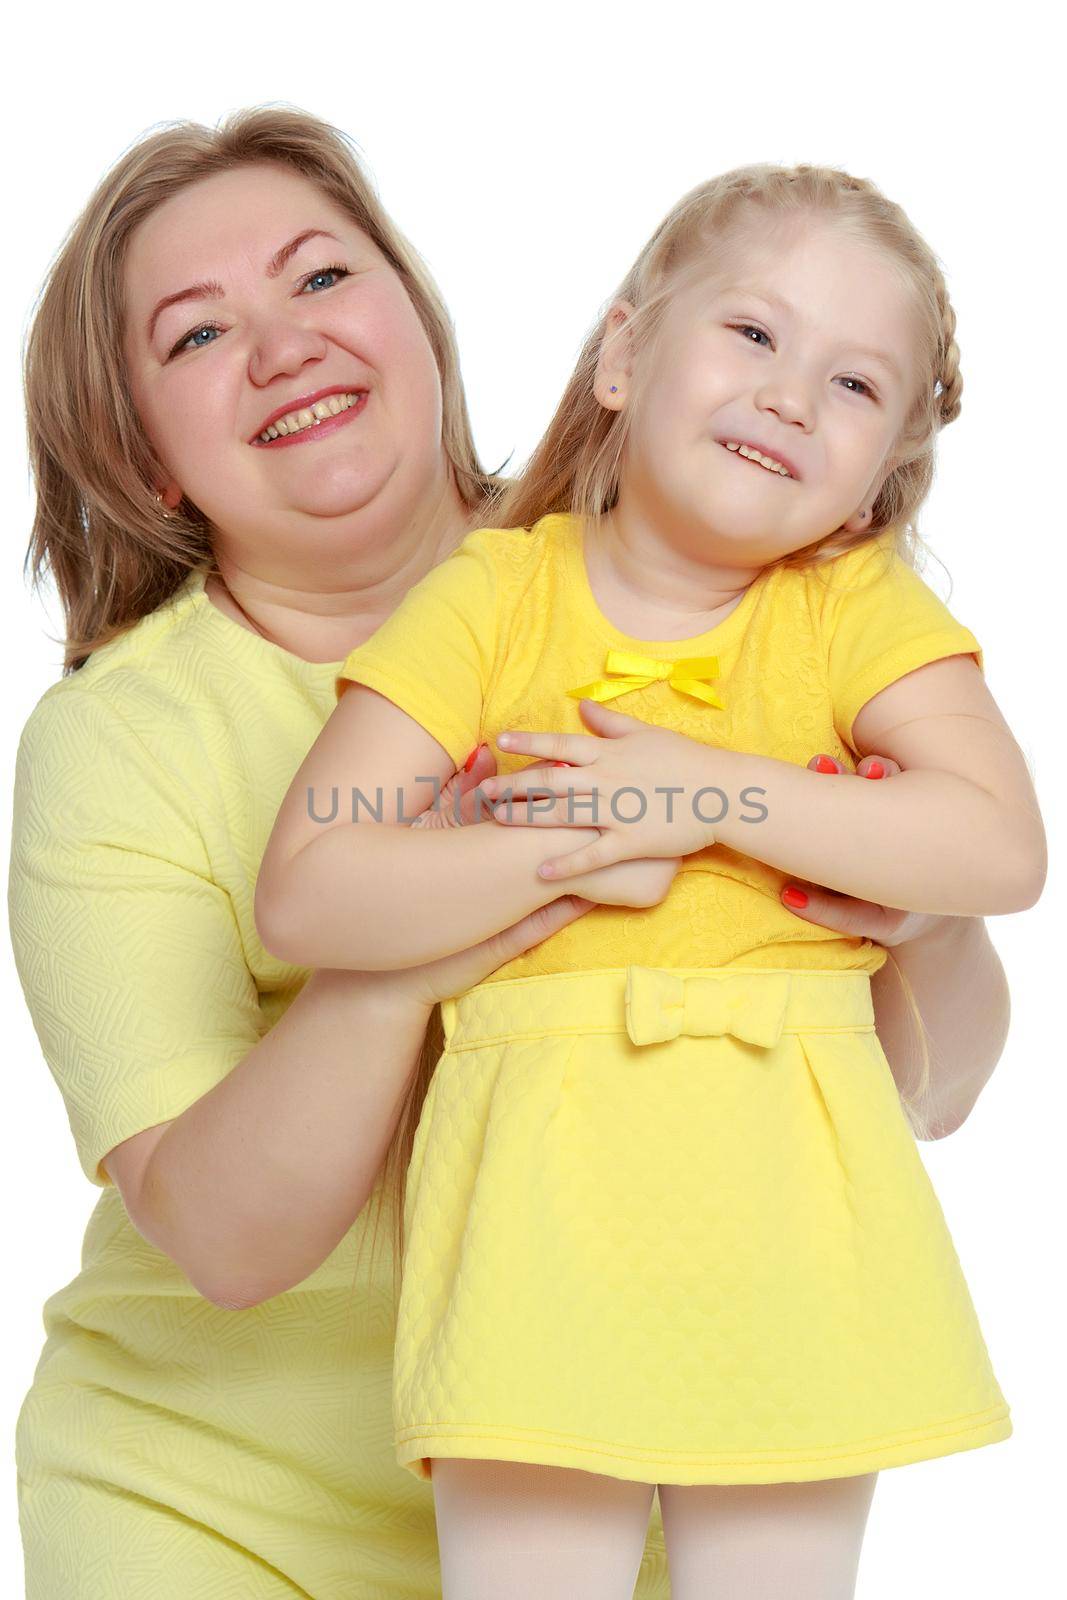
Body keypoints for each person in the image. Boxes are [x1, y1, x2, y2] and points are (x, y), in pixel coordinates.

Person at [6, 108, 1013, 1600]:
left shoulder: (720, 583)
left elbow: (934, 1088)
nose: (284, 345)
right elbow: (225, 1237)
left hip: (638, 1439)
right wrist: (489, 897)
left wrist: (888, 896)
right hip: (223, 1509)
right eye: (199, 334)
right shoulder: (122, 742)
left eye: (324, 279)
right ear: (143, 458)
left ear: (420, 318)